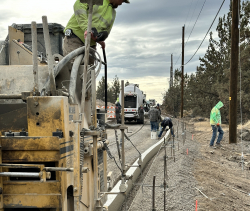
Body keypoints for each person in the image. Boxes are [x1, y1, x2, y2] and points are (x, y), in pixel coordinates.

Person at [63, 0, 130, 56]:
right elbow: (78, 5)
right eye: (122, 0)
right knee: (72, 68)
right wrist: (87, 28)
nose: (121, 3)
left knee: (89, 69)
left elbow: (107, 29)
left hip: (91, 44)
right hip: (75, 37)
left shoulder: (113, 13)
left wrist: (99, 39)